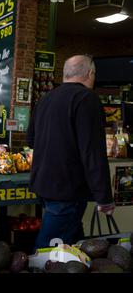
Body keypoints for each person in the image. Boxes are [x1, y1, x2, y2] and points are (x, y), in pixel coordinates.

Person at [27, 55, 115, 251]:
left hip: (44, 185)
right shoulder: (87, 99)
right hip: (67, 190)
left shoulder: (45, 99)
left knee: (74, 243)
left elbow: (31, 141)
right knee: (48, 251)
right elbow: (93, 153)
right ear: (90, 74)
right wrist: (104, 197)